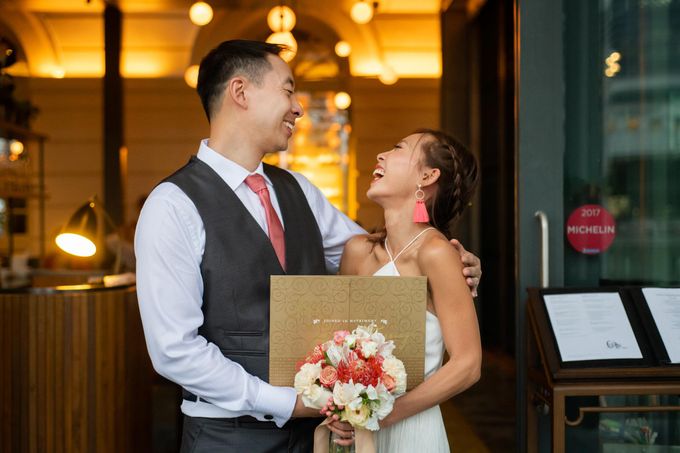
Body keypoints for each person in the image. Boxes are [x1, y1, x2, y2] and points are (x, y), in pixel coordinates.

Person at [134, 40, 482, 453]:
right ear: (241, 93)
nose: (298, 107)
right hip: (228, 436)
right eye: (287, 90)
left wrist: (452, 268)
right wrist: (288, 403)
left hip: (317, 436)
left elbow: (384, 254)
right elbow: (174, 351)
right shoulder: (172, 206)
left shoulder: (298, 190)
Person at [338, 129, 482, 452]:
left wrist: (384, 415)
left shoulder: (436, 253)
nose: (381, 155)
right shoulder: (356, 252)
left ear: (428, 176)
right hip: (355, 433)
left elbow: (468, 364)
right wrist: (339, 407)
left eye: (397, 147)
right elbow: (338, 348)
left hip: (413, 430)